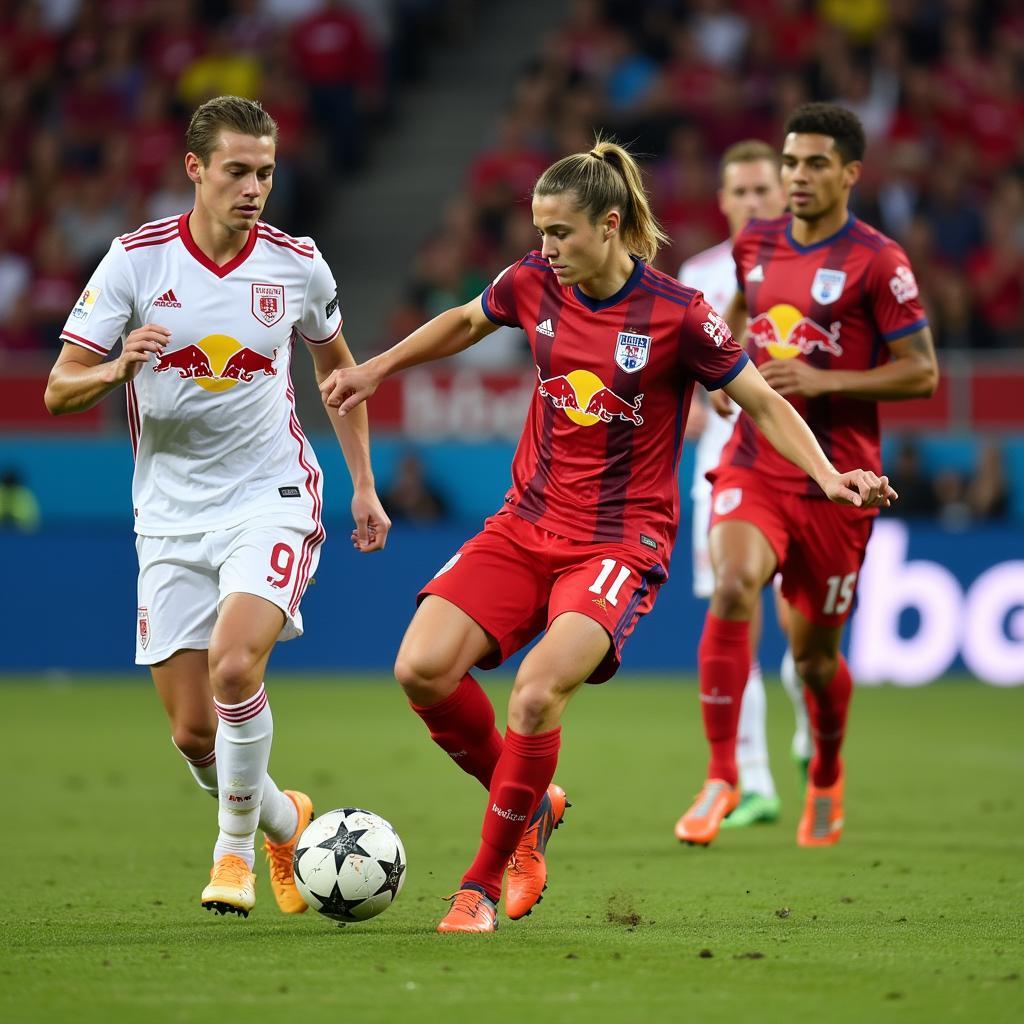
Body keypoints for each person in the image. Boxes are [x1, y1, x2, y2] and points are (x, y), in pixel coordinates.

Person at [320, 138, 895, 933]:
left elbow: (760, 400)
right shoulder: (531, 283)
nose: (545, 248)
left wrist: (830, 475)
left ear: (610, 225)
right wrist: (378, 368)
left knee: (534, 694)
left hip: (619, 544)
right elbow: (463, 319)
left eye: (560, 232)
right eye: (540, 231)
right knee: (420, 669)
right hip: (524, 523)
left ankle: (481, 882)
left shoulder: (678, 314)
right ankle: (531, 804)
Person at [43, 96, 390, 918]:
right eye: (237, 170)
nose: (254, 187)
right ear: (194, 168)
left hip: (269, 494)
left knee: (238, 666)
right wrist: (114, 371)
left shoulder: (296, 265)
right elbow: (60, 388)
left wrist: (364, 485)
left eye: (265, 172)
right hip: (168, 514)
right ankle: (282, 819)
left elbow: (339, 379)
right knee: (196, 736)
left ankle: (233, 855)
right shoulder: (135, 264)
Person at [675, 103, 938, 849]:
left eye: (815, 163)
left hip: (843, 478)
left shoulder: (879, 260)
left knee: (814, 659)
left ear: (851, 173)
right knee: (730, 585)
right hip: (759, 459)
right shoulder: (754, 243)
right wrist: (724, 375)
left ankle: (825, 769)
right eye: (790, 163)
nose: (796, 177)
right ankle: (723, 774)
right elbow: (731, 313)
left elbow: (922, 374)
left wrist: (822, 382)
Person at [677, 139, 808, 832]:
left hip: (805, 463)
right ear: (724, 201)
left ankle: (809, 719)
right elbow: (677, 366)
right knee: (736, 607)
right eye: (743, 192)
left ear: (784, 195)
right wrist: (698, 406)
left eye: (766, 190)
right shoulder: (697, 275)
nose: (755, 201)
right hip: (728, 469)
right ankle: (752, 780)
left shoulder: (816, 266)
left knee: (805, 629)